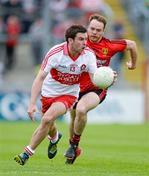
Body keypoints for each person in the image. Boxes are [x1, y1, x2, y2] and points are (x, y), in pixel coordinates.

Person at [14, 24, 97, 166]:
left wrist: (107, 78)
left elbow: (95, 77)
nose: (85, 42)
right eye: (81, 39)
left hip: (69, 94)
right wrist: (32, 103)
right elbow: (40, 77)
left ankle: (26, 154)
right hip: (48, 93)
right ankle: (54, 138)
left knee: (47, 119)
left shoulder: (88, 55)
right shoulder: (55, 53)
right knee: (49, 124)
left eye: (86, 39)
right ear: (70, 40)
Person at [64, 14, 137, 164]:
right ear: (87, 28)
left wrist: (133, 64)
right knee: (73, 116)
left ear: (103, 31)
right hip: (76, 87)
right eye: (92, 29)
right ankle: (74, 148)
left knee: (81, 110)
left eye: (99, 30)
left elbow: (132, 45)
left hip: (97, 89)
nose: (95, 32)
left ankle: (73, 145)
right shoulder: (78, 42)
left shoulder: (108, 46)